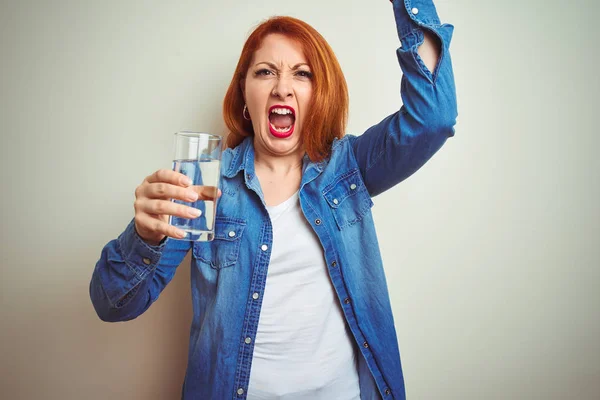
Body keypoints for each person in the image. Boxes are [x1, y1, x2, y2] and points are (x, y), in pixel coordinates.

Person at [90, 0, 457, 398]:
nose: (282, 86)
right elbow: (114, 305)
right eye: (265, 72)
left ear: (318, 96)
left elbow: (434, 119)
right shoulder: (207, 183)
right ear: (245, 96)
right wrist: (145, 236)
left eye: (302, 74)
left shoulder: (348, 168)